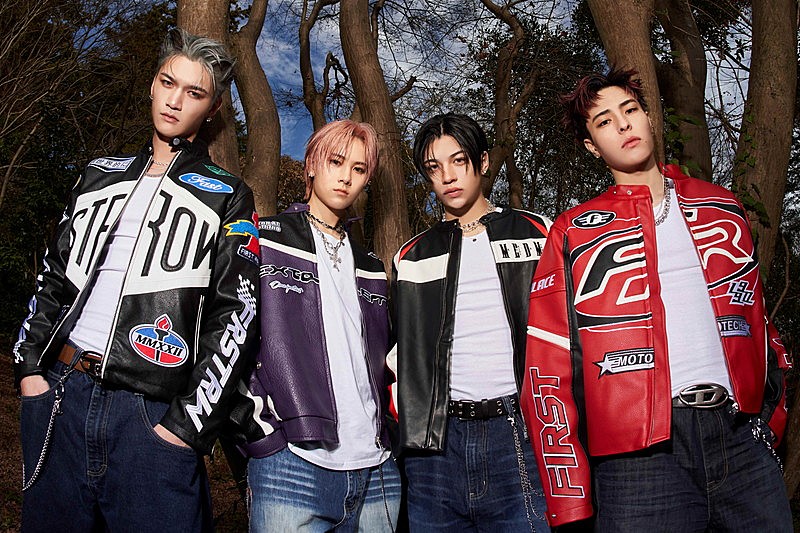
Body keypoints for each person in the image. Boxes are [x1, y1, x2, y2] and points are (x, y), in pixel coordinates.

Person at [521, 68, 792, 530]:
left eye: (630, 110)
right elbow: (546, 362)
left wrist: (770, 424)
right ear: (592, 146)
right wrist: (569, 498)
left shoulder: (722, 207)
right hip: (637, 463)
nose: (623, 124)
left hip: (741, 441)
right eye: (605, 121)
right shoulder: (572, 232)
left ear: (649, 117)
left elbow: (761, 325)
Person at [14, 28, 259, 532]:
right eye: (168, 83)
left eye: (194, 92)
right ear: (152, 85)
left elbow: (237, 313)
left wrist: (186, 425)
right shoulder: (98, 174)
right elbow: (54, 275)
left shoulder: (228, 194)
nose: (174, 100)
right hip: (61, 394)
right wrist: (30, 371)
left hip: (150, 417)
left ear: (212, 108)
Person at [233, 119, 400, 532]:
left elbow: (384, 364)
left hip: (378, 472)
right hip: (292, 464)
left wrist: (392, 432)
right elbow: (228, 338)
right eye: (335, 161)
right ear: (310, 164)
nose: (346, 177)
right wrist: (262, 434)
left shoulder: (372, 266)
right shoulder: (266, 238)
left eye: (358, 169)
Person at [390, 112, 552, 532]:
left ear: (482, 162)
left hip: (520, 432)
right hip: (434, 446)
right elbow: (397, 353)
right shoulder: (411, 257)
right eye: (434, 167)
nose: (447, 176)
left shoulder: (538, 232)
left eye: (458, 161)